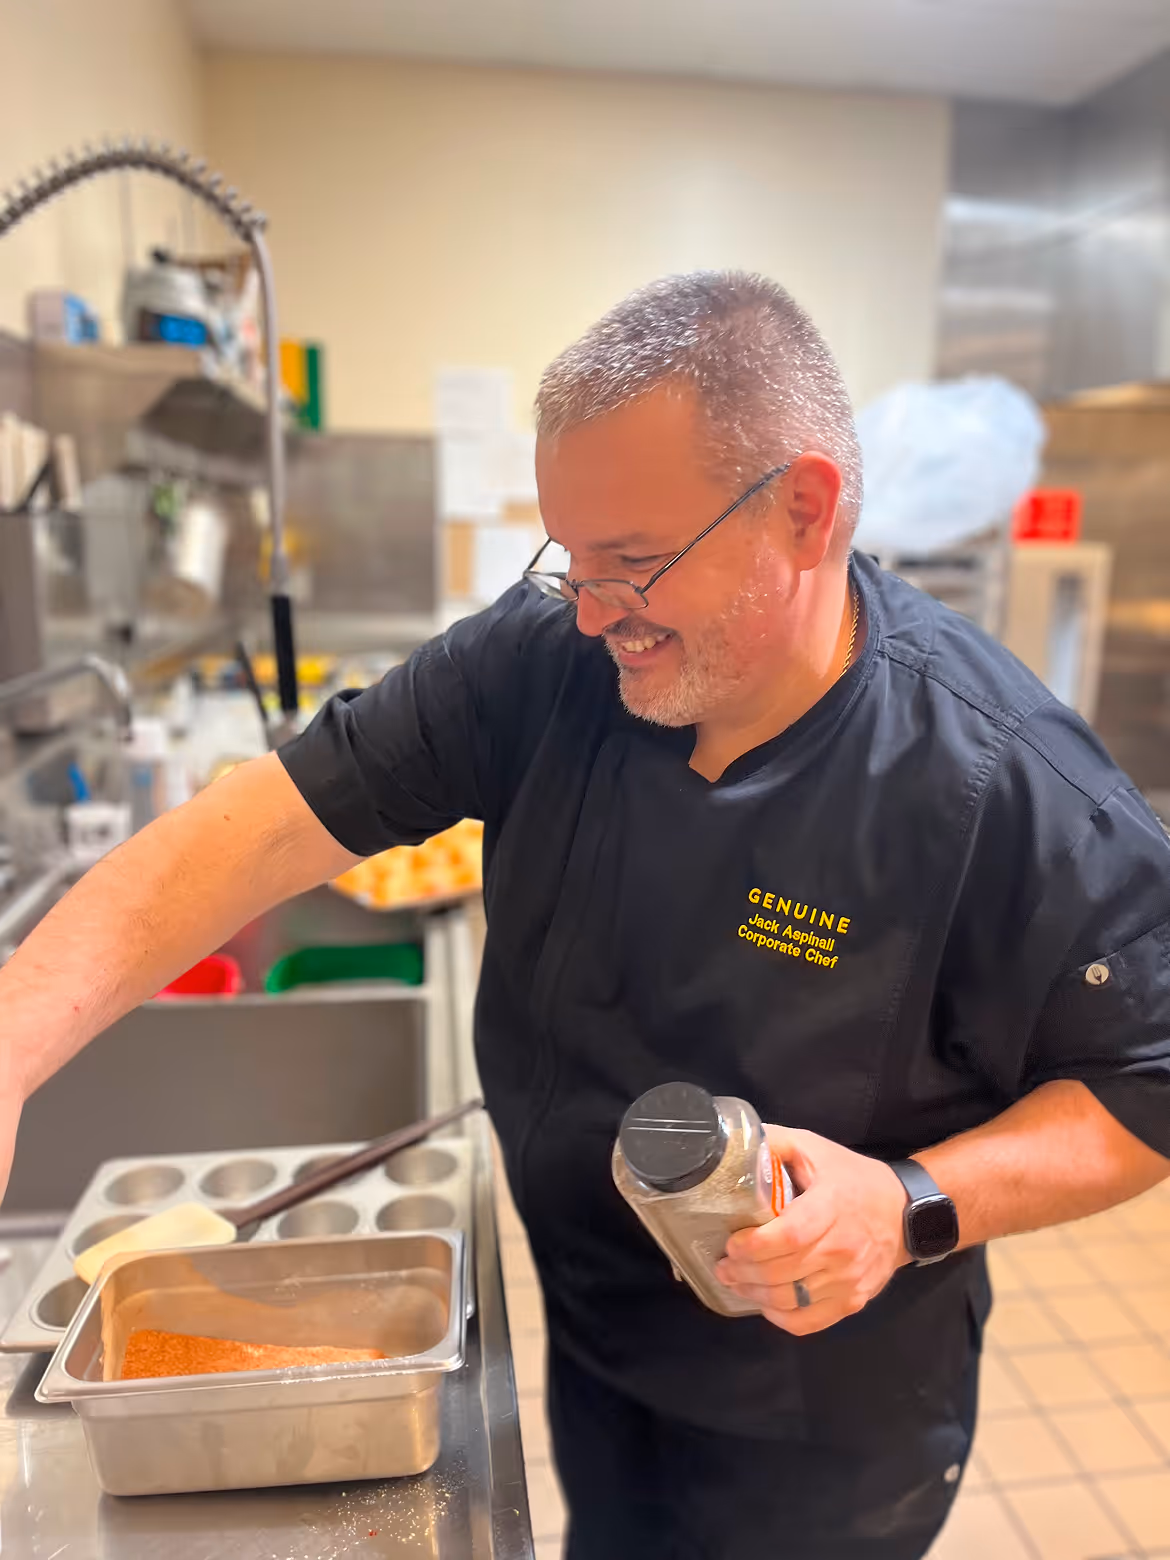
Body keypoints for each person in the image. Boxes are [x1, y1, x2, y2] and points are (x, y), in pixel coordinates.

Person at [2, 271, 1168, 1559]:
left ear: (805, 509)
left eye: (636, 563)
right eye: (570, 558)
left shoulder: (998, 779)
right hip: (599, 1346)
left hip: (824, 1428)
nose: (598, 613)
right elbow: (263, 825)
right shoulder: (549, 661)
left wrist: (908, 1203)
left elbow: (1149, 1081)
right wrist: (9, 1046)